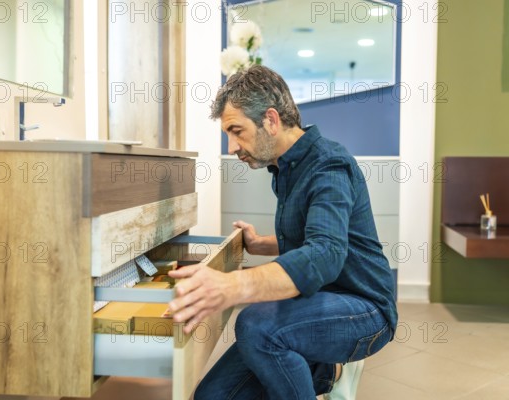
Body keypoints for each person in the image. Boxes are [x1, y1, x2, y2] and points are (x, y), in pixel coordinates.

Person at [167, 65, 398, 400]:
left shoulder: (329, 165)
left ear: (271, 121)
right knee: (212, 397)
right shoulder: (284, 168)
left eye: (237, 131)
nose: (232, 147)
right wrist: (262, 244)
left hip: (364, 309)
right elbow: (316, 236)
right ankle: (323, 369)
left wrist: (234, 286)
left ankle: (322, 367)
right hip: (319, 301)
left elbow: (326, 253)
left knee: (256, 325)